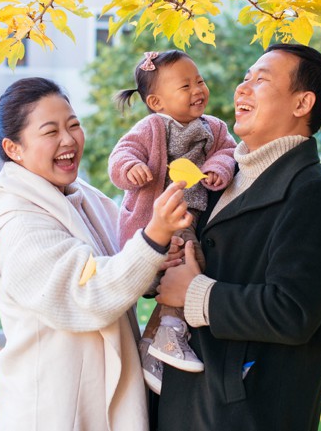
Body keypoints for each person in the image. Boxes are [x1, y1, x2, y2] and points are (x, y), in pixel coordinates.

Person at [0, 77, 192, 431]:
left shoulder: (81, 195)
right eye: (50, 131)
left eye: (73, 124)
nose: (68, 140)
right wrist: (153, 238)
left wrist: (160, 257)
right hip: (54, 409)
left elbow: (123, 259)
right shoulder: (17, 222)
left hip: (97, 397)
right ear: (13, 148)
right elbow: (86, 292)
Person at [155, 43, 321, 431]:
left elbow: (293, 312)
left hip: (246, 411)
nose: (242, 89)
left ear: (302, 103)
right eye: (245, 79)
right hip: (187, 399)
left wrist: (193, 293)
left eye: (260, 80)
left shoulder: (312, 192)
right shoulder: (220, 177)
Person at [109, 50, 236, 389]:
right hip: (153, 222)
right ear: (156, 101)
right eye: (185, 85)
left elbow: (228, 151)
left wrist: (216, 169)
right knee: (188, 266)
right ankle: (168, 337)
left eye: (200, 81)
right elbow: (122, 154)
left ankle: (154, 350)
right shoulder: (151, 127)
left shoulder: (214, 127)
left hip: (186, 220)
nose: (198, 90)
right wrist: (130, 168)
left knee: (187, 267)